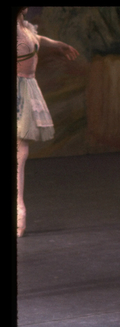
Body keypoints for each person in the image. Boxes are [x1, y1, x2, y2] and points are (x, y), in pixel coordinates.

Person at [16, 6, 80, 237]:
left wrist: (56, 44)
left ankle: (19, 211)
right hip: (19, 87)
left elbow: (37, 38)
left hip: (25, 88)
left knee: (20, 149)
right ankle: (18, 210)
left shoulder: (24, 26)